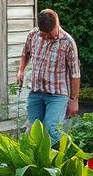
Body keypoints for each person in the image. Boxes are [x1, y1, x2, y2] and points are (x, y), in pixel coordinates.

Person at [16, 9, 80, 144]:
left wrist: (74, 100)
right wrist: (21, 70)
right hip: (36, 92)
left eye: (50, 34)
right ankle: (35, 163)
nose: (47, 38)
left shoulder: (68, 42)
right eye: (44, 35)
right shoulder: (33, 35)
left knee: (51, 129)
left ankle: (56, 162)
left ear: (57, 23)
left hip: (57, 95)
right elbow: (25, 54)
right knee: (33, 131)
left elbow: (75, 73)